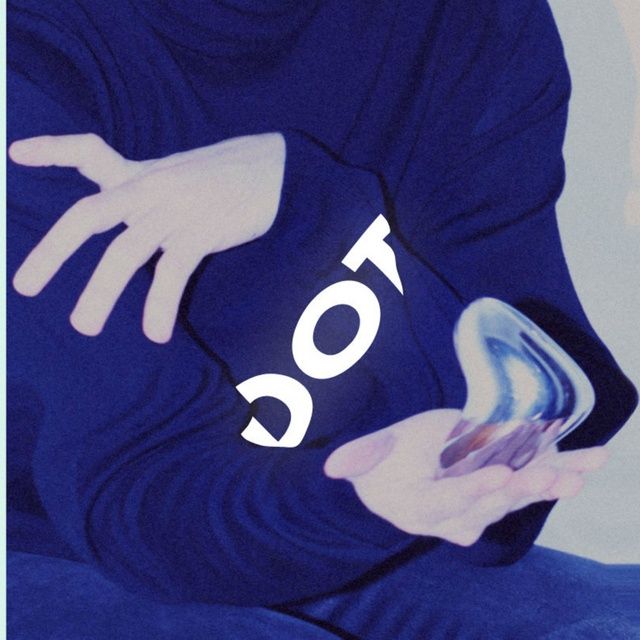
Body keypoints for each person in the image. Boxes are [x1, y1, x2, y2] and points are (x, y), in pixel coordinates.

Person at [7, 0, 639, 638]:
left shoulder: (470, 21)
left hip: (325, 516)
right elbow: (138, 506)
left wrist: (309, 207)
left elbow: (552, 405)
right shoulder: (30, 57)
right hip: (48, 542)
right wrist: (358, 501)